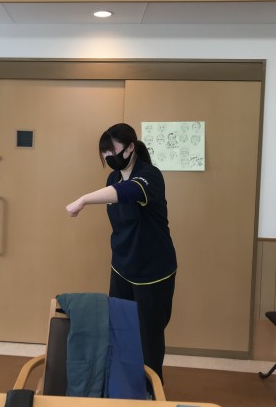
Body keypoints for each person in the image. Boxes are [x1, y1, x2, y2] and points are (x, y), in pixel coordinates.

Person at [65, 123, 177, 383]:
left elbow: (129, 192)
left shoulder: (150, 175)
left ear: (130, 148)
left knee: (148, 338)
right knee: (120, 330)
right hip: (122, 267)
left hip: (153, 271)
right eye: (104, 153)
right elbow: (117, 197)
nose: (108, 157)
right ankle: (123, 387)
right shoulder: (113, 179)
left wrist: (83, 199)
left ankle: (151, 391)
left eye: (112, 151)